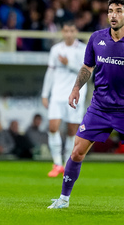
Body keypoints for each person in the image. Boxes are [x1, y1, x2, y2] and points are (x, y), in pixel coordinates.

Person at [48, 0, 124, 210]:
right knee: (76, 152)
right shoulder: (96, 39)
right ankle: (63, 199)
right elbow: (86, 68)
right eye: (110, 11)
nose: (113, 15)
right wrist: (75, 89)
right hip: (99, 108)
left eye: (118, 11)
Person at [42, 21, 87, 177]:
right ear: (62, 32)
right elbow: (50, 72)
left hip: (76, 94)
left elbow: (87, 72)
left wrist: (70, 64)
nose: (69, 34)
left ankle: (67, 164)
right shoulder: (56, 49)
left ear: (76, 32)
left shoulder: (83, 49)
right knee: (53, 127)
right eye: (66, 31)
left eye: (72, 30)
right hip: (57, 94)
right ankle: (57, 163)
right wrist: (44, 94)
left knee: (71, 131)